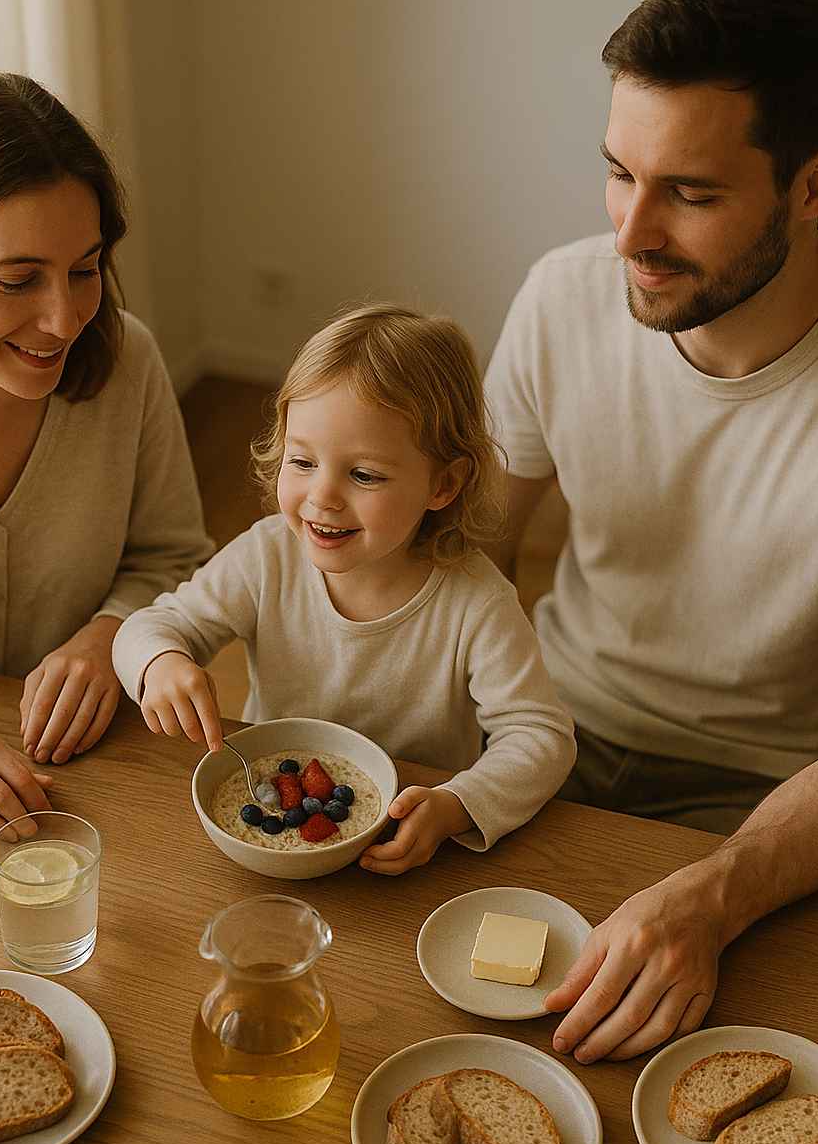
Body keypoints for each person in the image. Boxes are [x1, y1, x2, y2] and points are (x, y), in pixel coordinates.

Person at [484, 0, 818, 1062]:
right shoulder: (561, 297)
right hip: (544, 734)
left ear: (813, 184)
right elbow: (469, 565)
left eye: (688, 195)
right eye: (618, 174)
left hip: (760, 814)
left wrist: (711, 896)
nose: (629, 235)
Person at [0, 71, 214, 839]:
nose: (64, 318)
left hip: (87, 786)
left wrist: (110, 633)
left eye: (84, 270)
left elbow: (175, 558)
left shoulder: (128, 364)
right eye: (18, 279)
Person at [113, 303, 576, 873]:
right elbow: (147, 626)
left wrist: (456, 806)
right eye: (301, 460)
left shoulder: (476, 604)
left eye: (364, 475)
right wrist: (160, 661)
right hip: (269, 847)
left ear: (444, 483)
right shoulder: (267, 556)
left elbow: (541, 737)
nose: (322, 497)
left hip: (406, 851)